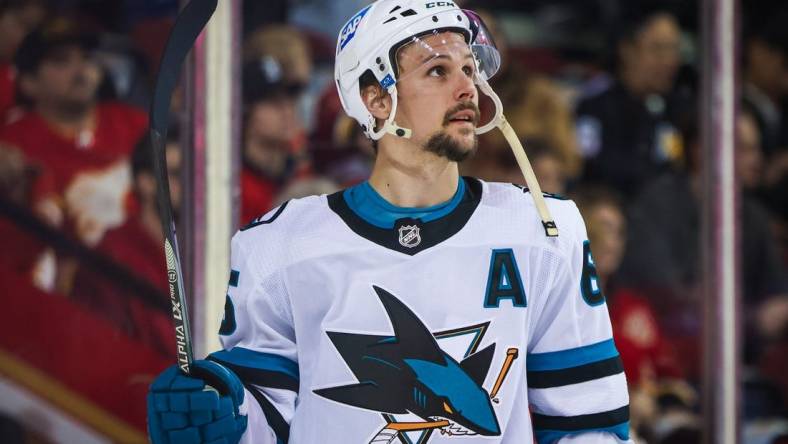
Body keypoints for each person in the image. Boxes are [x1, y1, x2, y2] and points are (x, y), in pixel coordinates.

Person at [147, 2, 631, 443]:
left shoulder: (545, 229)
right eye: (437, 71)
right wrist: (217, 412)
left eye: (469, 68)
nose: (469, 88)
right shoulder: (279, 243)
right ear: (376, 100)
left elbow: (588, 423)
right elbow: (264, 418)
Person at [0, 18, 148, 248]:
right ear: (29, 82)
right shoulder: (11, 143)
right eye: (61, 61)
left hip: (140, 271)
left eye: (87, 58)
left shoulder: (137, 125)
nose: (81, 69)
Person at [71, 132, 181, 356]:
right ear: (147, 183)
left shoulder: (215, 258)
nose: (196, 185)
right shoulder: (113, 257)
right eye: (180, 174)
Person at [575, 9, 684, 199]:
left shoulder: (679, 109)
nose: (669, 60)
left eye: (674, 49)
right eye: (658, 49)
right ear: (627, 49)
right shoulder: (594, 107)